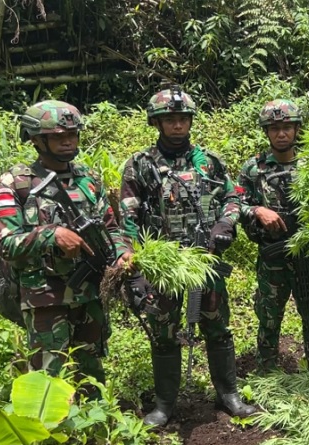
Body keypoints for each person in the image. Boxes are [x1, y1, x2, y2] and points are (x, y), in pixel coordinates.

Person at [120, 87, 257, 426]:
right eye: (170, 120)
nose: (177, 125)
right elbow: (128, 217)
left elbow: (233, 196)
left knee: (216, 324)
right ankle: (165, 405)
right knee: (164, 330)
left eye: (183, 118)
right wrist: (134, 266)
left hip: (204, 258)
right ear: (157, 123)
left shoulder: (208, 160)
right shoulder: (141, 164)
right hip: (163, 266)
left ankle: (229, 395)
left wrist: (225, 223)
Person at [0, 100, 132, 397]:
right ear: (36, 140)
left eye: (73, 134)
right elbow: (6, 243)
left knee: (91, 373)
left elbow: (111, 228)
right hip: (45, 296)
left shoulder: (88, 179)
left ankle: (94, 434)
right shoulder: (16, 183)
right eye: (58, 136)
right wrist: (51, 235)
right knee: (47, 379)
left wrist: (122, 252)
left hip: (90, 293)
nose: (68, 141)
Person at [238, 99, 309, 374]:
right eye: (274, 128)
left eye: (286, 128)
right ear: (266, 132)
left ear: (296, 130)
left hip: (307, 255)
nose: (280, 134)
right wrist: (258, 209)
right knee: (269, 317)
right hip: (272, 257)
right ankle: (267, 373)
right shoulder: (254, 169)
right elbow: (234, 203)